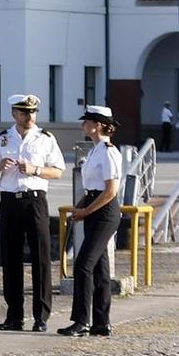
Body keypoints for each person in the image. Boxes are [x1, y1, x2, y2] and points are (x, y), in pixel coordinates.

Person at [0, 93, 66, 331]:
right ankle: (14, 316)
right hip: (10, 200)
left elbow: (58, 171)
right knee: (11, 258)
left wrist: (35, 169)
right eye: (24, 112)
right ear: (14, 114)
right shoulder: (2, 139)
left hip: (35, 200)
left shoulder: (45, 138)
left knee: (41, 257)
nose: (29, 116)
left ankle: (41, 317)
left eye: (32, 112)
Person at [62, 104, 123, 338]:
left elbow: (110, 191)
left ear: (97, 125)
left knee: (83, 265)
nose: (83, 125)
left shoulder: (108, 152)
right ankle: (101, 322)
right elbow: (91, 189)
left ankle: (81, 321)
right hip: (94, 208)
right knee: (99, 268)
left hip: (104, 212)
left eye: (86, 121)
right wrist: (80, 208)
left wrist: (86, 211)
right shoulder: (96, 150)